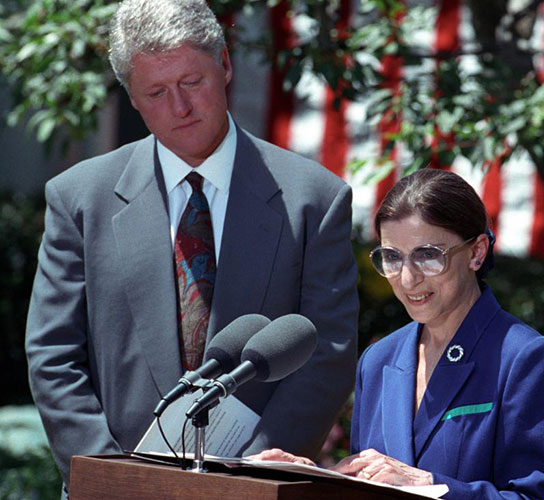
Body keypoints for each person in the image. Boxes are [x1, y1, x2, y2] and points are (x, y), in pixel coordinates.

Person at [24, 0, 358, 496]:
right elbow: (54, 355)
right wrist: (114, 479)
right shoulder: (79, 198)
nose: (179, 108)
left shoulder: (314, 199)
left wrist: (248, 479)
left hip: (253, 488)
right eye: (156, 92)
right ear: (131, 98)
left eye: (192, 83)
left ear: (224, 65)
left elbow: (327, 352)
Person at [251, 169, 544, 499]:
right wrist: (313, 479)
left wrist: (432, 485)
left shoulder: (525, 357)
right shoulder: (378, 360)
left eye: (428, 255)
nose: (407, 279)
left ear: (477, 252)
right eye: (391, 257)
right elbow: (376, 484)